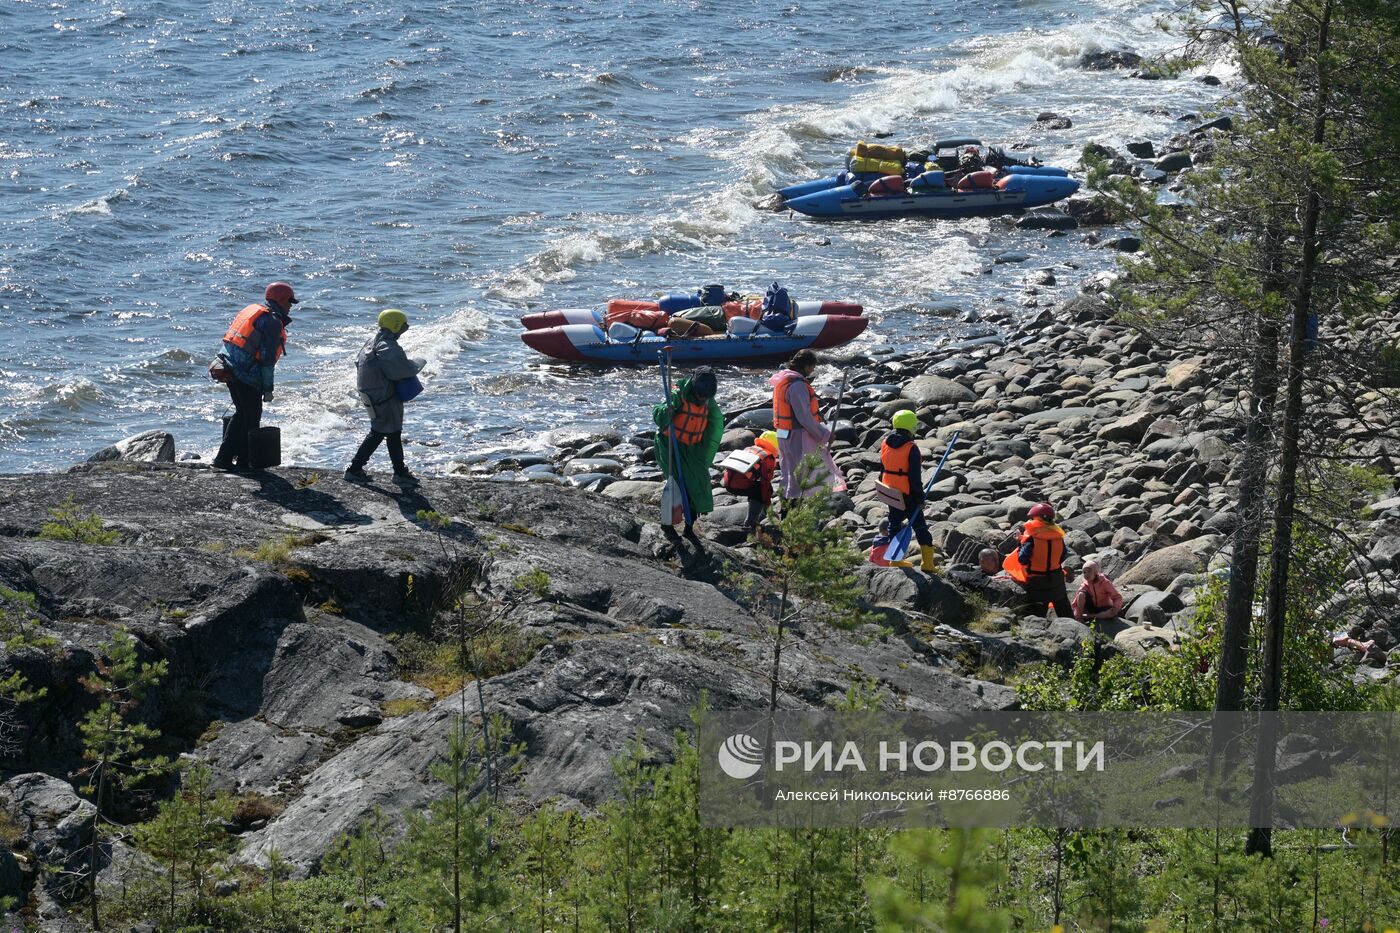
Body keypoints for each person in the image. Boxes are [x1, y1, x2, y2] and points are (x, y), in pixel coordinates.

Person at [213, 282, 296, 471]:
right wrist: (268, 389)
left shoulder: (254, 310)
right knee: (251, 417)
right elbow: (267, 360)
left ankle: (223, 459)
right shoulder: (272, 322)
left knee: (242, 413)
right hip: (246, 375)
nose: (291, 306)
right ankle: (244, 462)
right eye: (289, 301)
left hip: (228, 367)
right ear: (281, 300)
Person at [345, 309, 426, 488]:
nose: (402, 332)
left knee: (389, 433)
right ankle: (356, 469)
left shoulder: (370, 343)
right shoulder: (388, 346)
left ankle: (398, 471)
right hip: (385, 397)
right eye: (402, 328)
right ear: (396, 326)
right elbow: (400, 371)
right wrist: (417, 365)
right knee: (382, 433)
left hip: (371, 396)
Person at [653, 366, 723, 540]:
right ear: (693, 386)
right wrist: (666, 410)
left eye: (706, 396)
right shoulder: (679, 394)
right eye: (700, 394)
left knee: (698, 484)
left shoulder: (708, 400)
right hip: (671, 444)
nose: (702, 399)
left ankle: (689, 526)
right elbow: (658, 414)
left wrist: (705, 451)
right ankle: (667, 524)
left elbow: (715, 425)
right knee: (676, 483)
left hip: (692, 449)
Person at [770, 349, 844, 499]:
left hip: (783, 433)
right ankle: (794, 511)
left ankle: (787, 509)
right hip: (796, 436)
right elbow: (804, 417)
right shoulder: (797, 385)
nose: (813, 370)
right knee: (800, 473)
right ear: (805, 366)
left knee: (788, 472)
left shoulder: (783, 380)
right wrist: (825, 435)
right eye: (812, 366)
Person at [876, 410, 936, 572]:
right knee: (920, 527)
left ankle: (895, 560)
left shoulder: (885, 442)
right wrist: (920, 498)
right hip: (908, 495)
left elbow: (883, 467)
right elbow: (914, 478)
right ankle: (928, 564)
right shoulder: (911, 448)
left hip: (891, 492)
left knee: (894, 524)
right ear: (911, 426)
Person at [1002, 502, 1073, 618]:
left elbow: (1022, 559)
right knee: (1065, 613)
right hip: (1057, 579)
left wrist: (1020, 543)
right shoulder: (1058, 536)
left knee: (1037, 617)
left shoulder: (1031, 539)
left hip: (1037, 582)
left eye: (1032, 517)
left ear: (1038, 519)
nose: (1030, 519)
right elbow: (1062, 555)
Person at [720, 430, 779, 536]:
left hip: (727, 482)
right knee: (761, 491)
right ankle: (750, 524)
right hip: (739, 485)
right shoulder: (767, 457)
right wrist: (768, 504)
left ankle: (760, 515)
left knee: (755, 487)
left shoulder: (749, 448)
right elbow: (765, 483)